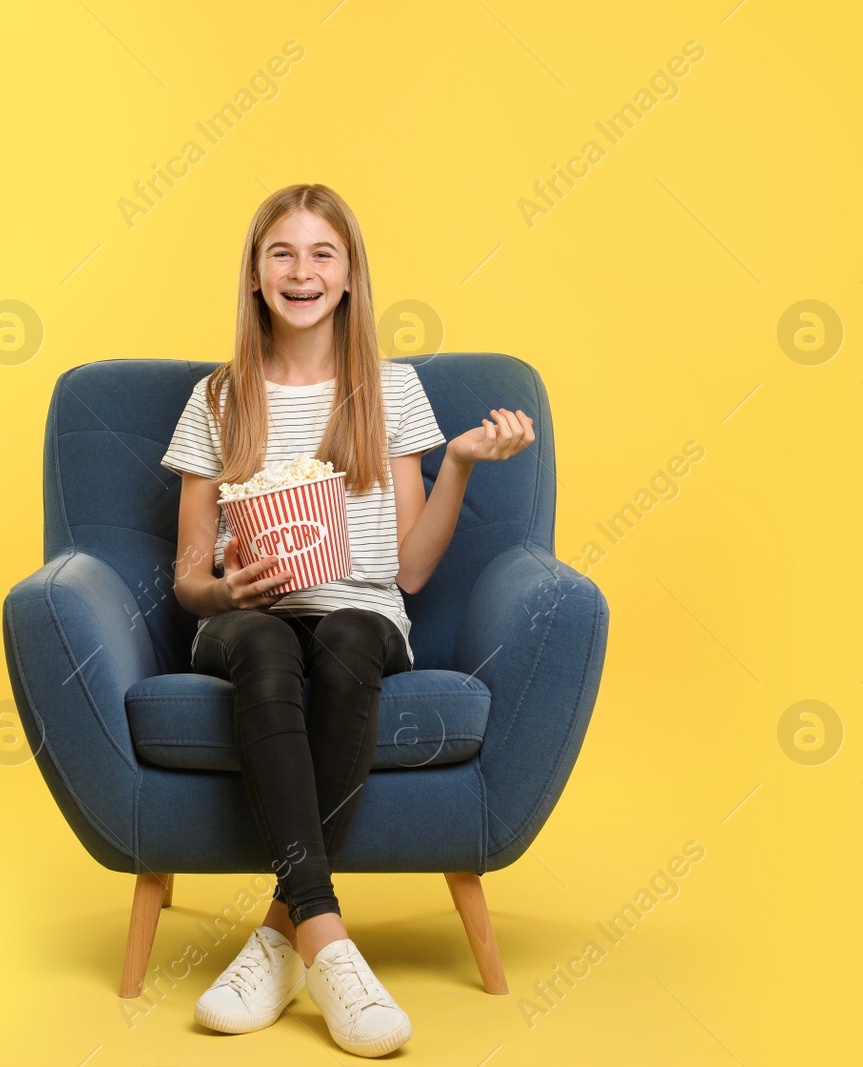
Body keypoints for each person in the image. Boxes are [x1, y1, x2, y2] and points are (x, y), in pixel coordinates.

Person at [158, 183, 536, 1057]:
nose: (302, 271)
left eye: (322, 253)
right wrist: (228, 590)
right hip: (243, 619)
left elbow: (406, 569)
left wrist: (463, 467)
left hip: (358, 614)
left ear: (352, 275)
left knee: (352, 633)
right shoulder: (219, 400)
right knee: (262, 641)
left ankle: (285, 934)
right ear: (255, 276)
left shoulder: (391, 393)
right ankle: (328, 940)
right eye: (281, 253)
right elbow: (186, 576)